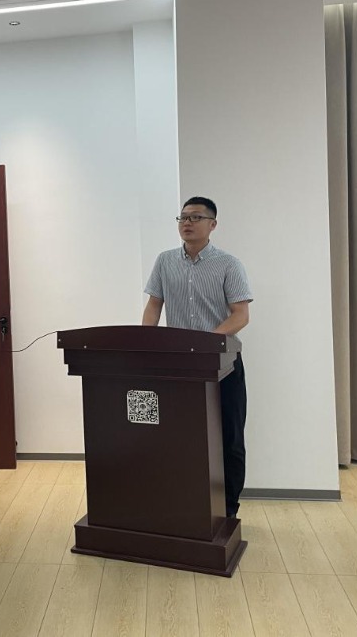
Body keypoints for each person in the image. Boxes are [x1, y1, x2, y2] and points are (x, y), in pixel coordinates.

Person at [142, 197, 253, 518]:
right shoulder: (165, 261)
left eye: (195, 217)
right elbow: (154, 306)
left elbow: (241, 315)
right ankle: (184, 502)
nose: (186, 223)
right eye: (182, 218)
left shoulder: (229, 264)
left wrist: (205, 342)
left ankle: (227, 510)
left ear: (212, 224)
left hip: (222, 365)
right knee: (180, 436)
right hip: (179, 366)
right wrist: (145, 343)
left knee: (229, 438)